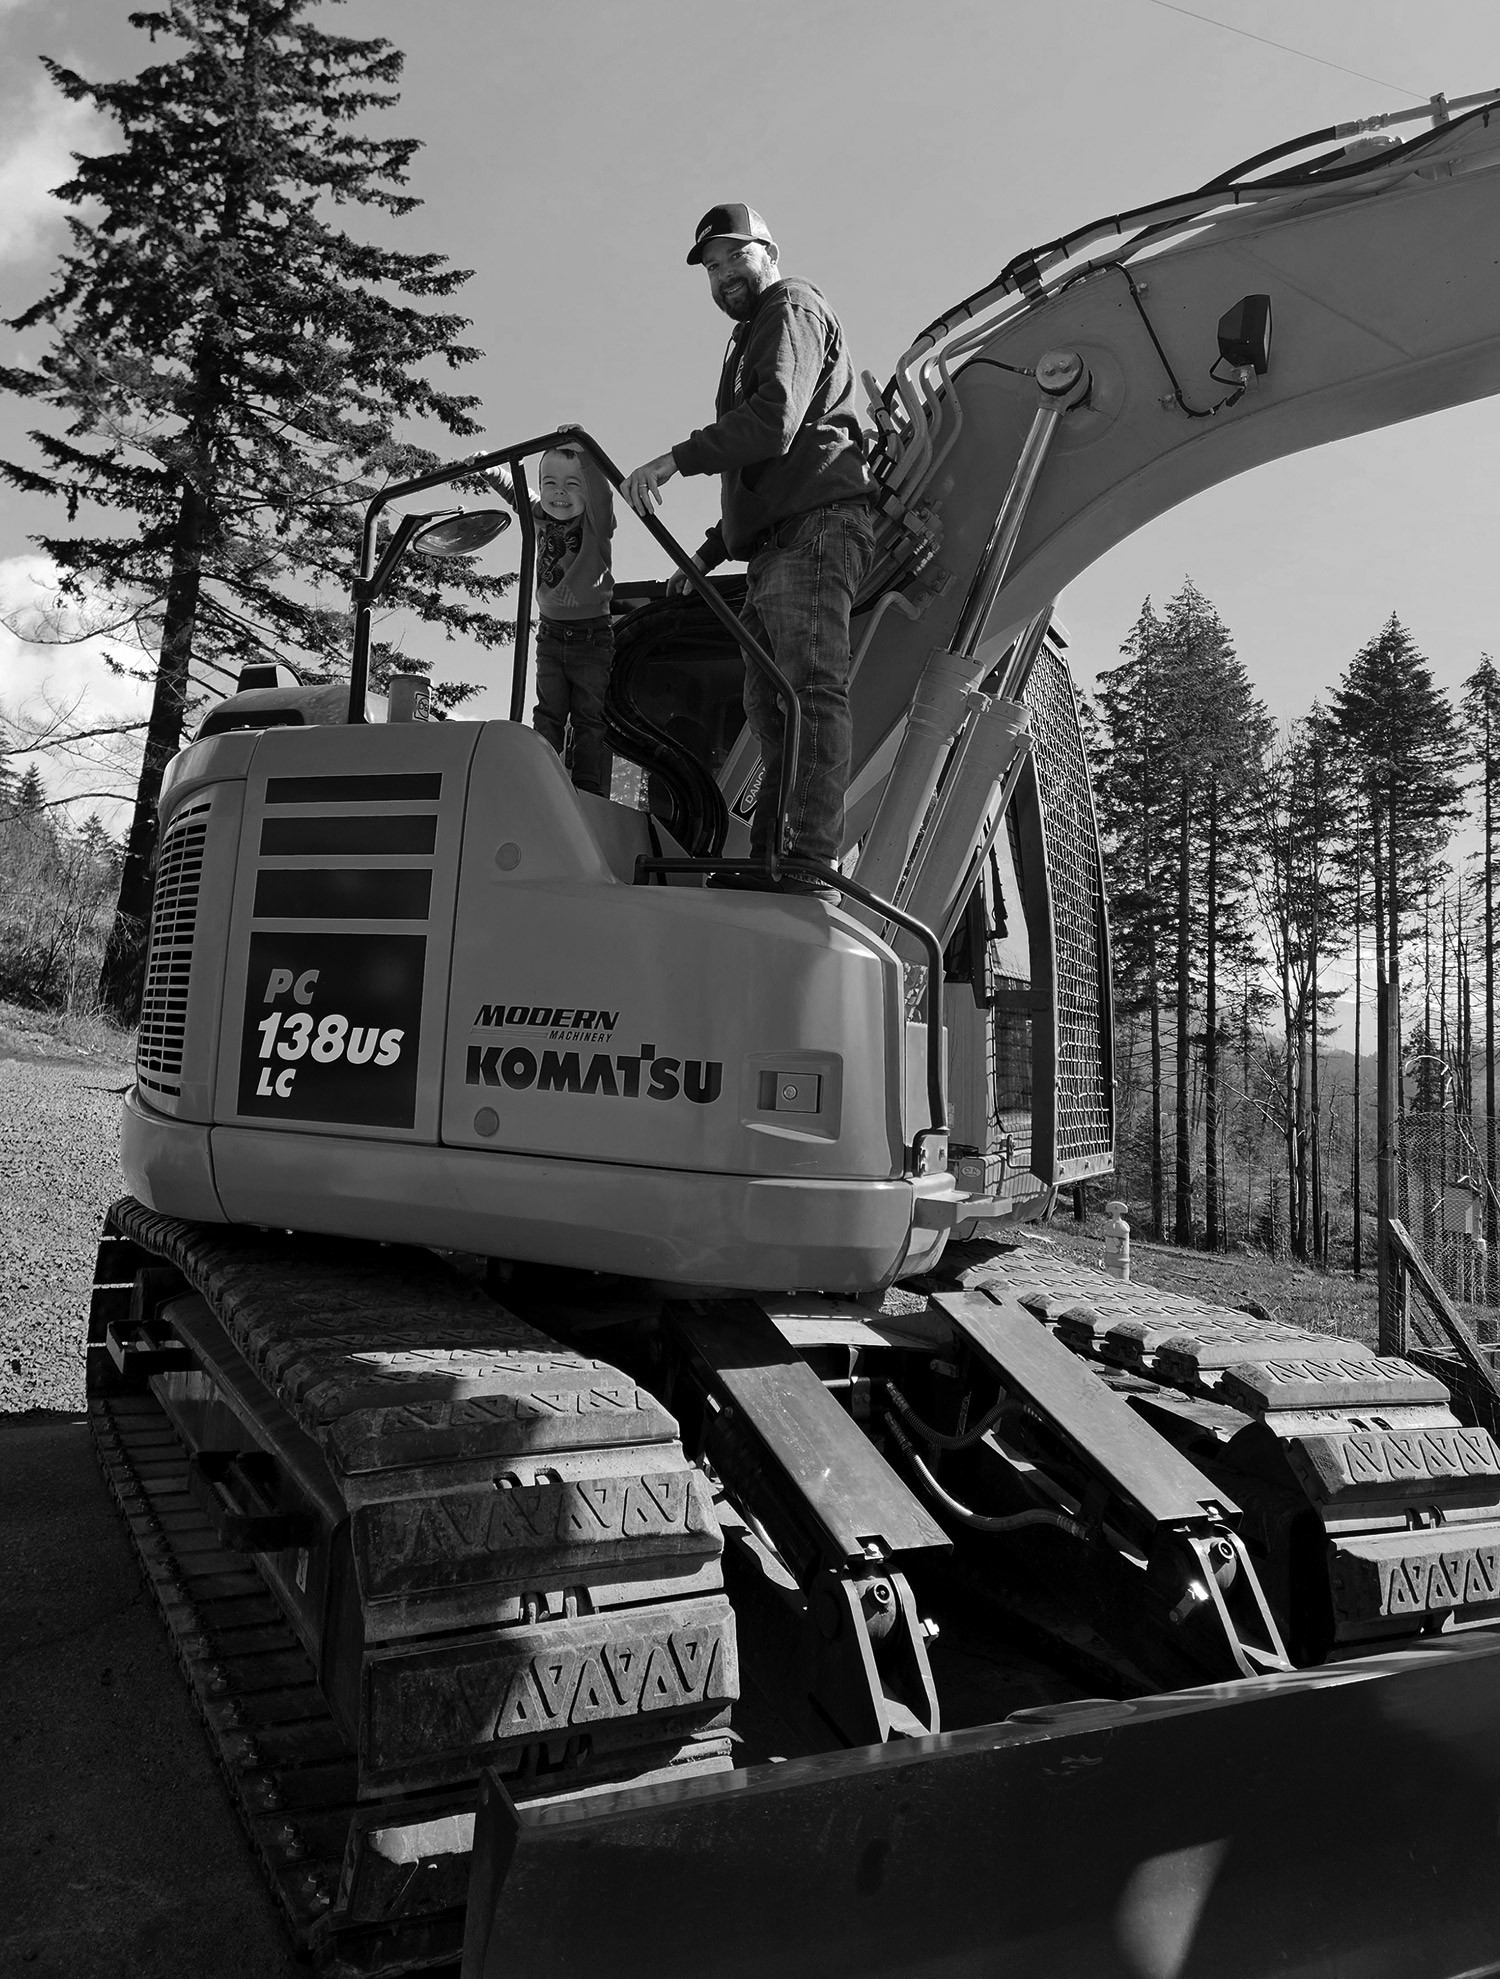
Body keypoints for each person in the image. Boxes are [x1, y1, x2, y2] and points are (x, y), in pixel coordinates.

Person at [624, 203, 876, 894]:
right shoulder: (747, 339)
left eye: (733, 255)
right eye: (709, 265)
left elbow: (773, 424)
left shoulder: (789, 306)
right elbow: (756, 472)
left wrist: (674, 461)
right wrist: (704, 556)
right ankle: (771, 861)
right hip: (777, 541)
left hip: (816, 529)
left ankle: (806, 862)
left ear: (768, 250)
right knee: (771, 713)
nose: (722, 274)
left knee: (809, 694)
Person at [498, 446, 616, 795]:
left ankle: (587, 787)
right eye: (551, 483)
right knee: (547, 713)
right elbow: (518, 494)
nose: (559, 492)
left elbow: (602, 496)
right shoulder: (540, 517)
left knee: (588, 718)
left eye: (572, 484)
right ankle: (540, 780)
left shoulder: (595, 524)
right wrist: (492, 468)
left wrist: (588, 457)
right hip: (550, 636)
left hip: (591, 637)